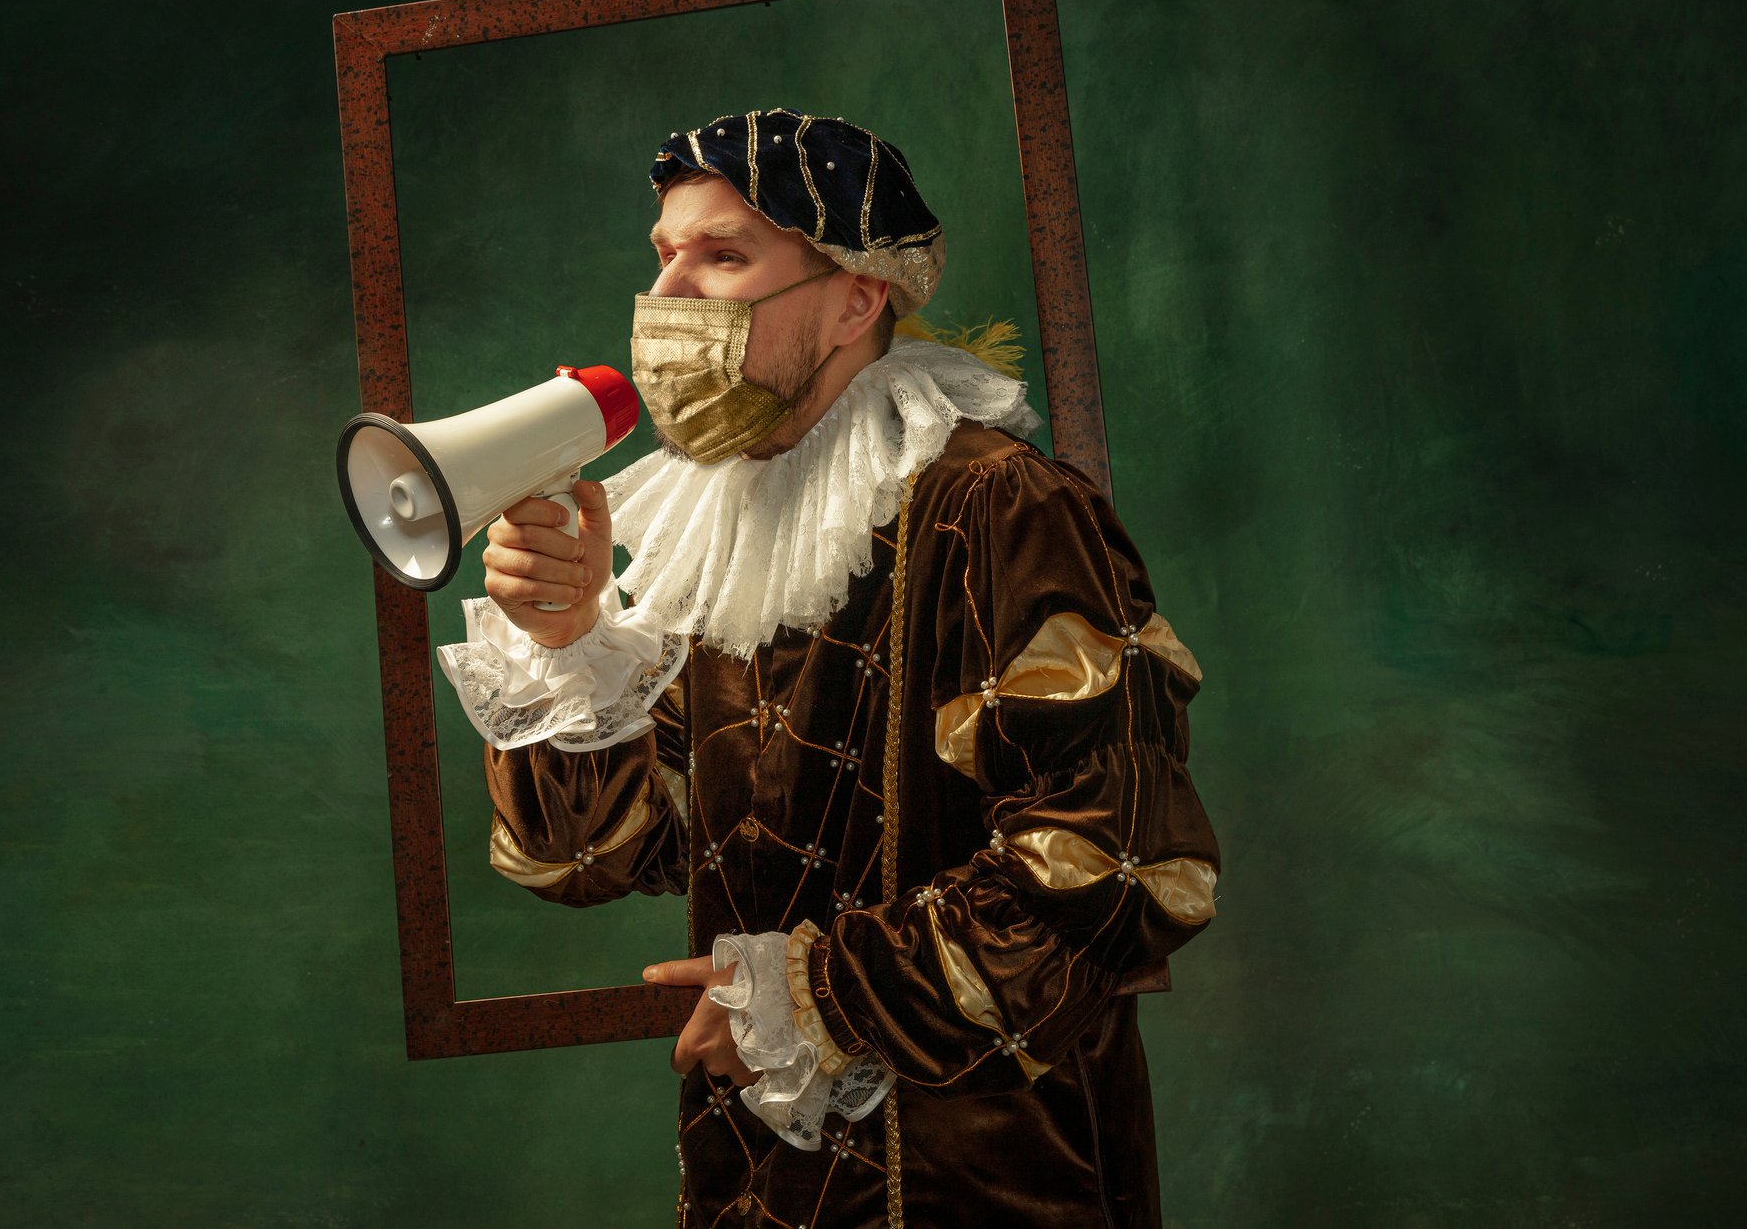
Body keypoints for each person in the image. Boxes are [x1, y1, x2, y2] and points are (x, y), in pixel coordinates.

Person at [436, 108, 1223, 1228]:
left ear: (857, 299)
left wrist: (821, 996)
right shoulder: (711, 528)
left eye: (722, 256)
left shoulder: (998, 502)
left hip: (981, 1182)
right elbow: (595, 860)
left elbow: (1128, 866)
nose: (667, 295)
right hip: (757, 1181)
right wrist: (567, 645)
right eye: (663, 255)